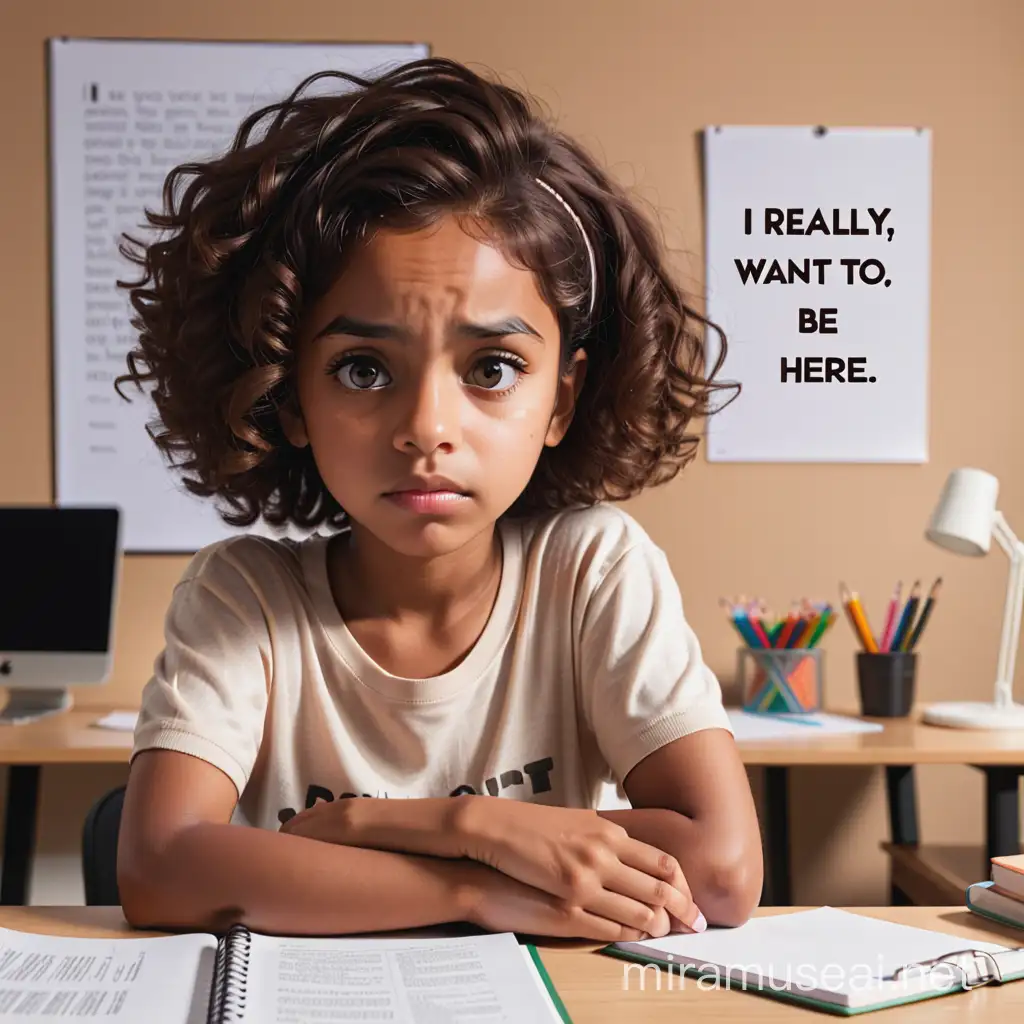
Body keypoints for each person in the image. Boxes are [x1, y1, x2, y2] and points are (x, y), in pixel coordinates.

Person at [115, 56, 762, 942]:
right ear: (288, 394)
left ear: (561, 401)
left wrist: (369, 826)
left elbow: (722, 871)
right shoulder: (246, 599)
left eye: (491, 369)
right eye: (363, 369)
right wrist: (476, 866)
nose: (425, 429)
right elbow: (157, 868)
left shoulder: (590, 571)